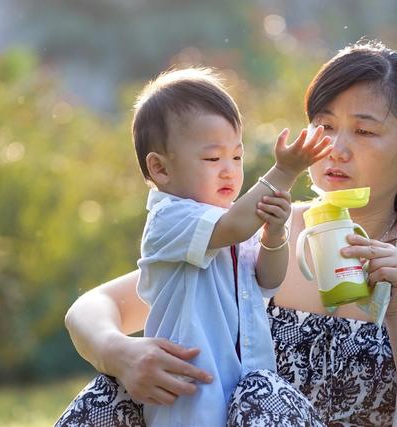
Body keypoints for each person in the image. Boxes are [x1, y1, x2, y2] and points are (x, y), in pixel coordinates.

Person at [57, 41, 397, 427]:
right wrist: (121, 355)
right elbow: (94, 307)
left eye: (364, 131)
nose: (335, 148)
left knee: (260, 395)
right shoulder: (256, 233)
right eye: (324, 125)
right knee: (111, 394)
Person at [56, 67, 332, 426]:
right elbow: (233, 227)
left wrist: (275, 237)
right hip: (189, 397)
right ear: (161, 169)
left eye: (236, 157)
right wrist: (284, 172)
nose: (229, 171)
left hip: (240, 395)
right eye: (212, 158)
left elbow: (268, 280)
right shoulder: (171, 218)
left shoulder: (231, 219)